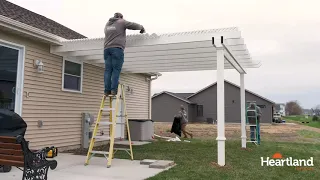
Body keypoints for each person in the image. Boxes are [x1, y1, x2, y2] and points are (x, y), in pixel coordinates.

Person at [103, 12, 145, 96]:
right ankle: (113, 90)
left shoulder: (107, 24)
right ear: (120, 17)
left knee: (108, 70)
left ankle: (107, 91)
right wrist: (141, 28)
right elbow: (132, 25)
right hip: (117, 49)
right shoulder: (121, 22)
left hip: (107, 49)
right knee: (116, 70)